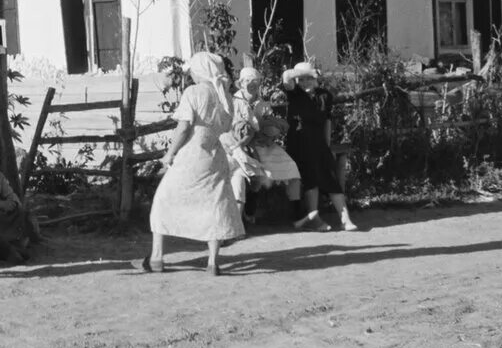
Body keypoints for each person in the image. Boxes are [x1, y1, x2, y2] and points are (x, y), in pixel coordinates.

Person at [139, 51, 244, 276]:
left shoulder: (194, 92)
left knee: (162, 200)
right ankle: (213, 262)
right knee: (213, 205)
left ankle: (157, 257)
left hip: (192, 154)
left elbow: (184, 127)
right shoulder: (225, 96)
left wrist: (169, 154)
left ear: (200, 71)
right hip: (214, 156)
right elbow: (225, 128)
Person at [222, 66, 304, 224]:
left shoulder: (262, 103)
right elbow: (231, 128)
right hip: (239, 145)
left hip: (262, 144)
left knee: (292, 168)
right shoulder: (233, 102)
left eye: (256, 81)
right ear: (240, 83)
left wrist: (269, 133)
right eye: (248, 81)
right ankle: (249, 211)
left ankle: (298, 215)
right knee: (254, 173)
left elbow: (268, 126)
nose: (252, 84)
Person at [281, 61, 357, 231]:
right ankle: (315, 219)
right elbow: (286, 77)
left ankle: (345, 218)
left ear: (316, 79)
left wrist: (327, 145)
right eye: (302, 79)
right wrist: (301, 72)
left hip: (319, 143)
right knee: (310, 180)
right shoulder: (294, 93)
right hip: (299, 144)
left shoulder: (325, 96)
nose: (305, 82)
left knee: (330, 178)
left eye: (309, 78)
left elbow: (327, 121)